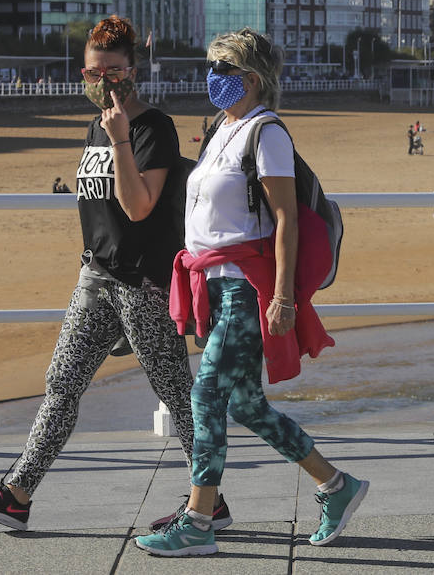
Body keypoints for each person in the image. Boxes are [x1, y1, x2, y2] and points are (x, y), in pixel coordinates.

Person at [0, 15, 207, 533]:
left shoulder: (152, 126)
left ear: (133, 70)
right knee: (61, 384)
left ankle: (209, 498)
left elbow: (137, 208)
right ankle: (16, 494)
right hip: (96, 279)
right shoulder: (96, 125)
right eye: (93, 73)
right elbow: (97, 212)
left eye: (112, 71)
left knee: (178, 395)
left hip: (141, 285)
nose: (103, 82)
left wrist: (121, 141)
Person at [137, 28, 365, 558]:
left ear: (252, 79)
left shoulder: (268, 133)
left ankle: (197, 522)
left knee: (206, 394)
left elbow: (284, 218)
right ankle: (336, 486)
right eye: (212, 65)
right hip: (211, 286)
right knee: (245, 404)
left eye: (223, 68)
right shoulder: (222, 128)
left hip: (245, 288)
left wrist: (282, 297)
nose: (211, 76)